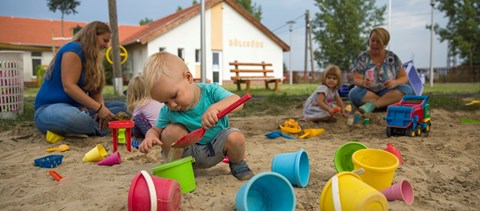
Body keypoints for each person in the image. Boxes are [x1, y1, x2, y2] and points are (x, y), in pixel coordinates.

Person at [139, 52, 254, 180]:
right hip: (186, 155)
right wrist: (150, 137)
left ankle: (238, 164)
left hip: (215, 148)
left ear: (188, 78)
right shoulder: (168, 111)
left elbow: (237, 101)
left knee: (235, 137)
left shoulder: (211, 92)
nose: (171, 105)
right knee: (171, 131)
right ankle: (175, 167)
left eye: (174, 96)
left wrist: (215, 108)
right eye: (165, 102)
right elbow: (156, 129)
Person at [34, 21, 127, 136]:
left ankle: (98, 123)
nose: (106, 46)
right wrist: (99, 109)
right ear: (93, 36)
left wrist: (101, 109)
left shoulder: (94, 58)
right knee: (75, 119)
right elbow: (69, 87)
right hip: (51, 108)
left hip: (80, 108)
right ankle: (104, 127)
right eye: (105, 40)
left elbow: (95, 92)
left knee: (124, 108)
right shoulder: (73, 49)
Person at [348, 27, 414, 113]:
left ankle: (373, 105)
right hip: (368, 93)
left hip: (387, 92)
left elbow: (404, 77)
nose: (374, 43)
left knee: (407, 89)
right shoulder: (363, 58)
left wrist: (395, 82)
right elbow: (356, 78)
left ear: (385, 44)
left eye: (378, 41)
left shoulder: (392, 57)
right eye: (372, 40)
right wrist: (363, 82)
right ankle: (387, 103)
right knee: (353, 93)